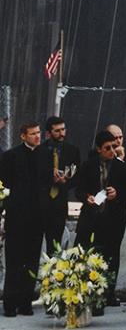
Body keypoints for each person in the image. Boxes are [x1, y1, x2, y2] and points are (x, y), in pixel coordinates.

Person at [75, 130, 126, 311]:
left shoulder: (123, 167)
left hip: (114, 218)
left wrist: (117, 195)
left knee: (112, 255)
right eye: (108, 148)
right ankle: (89, 292)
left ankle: (109, 292)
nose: (112, 151)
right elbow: (79, 189)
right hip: (92, 217)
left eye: (114, 147)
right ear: (99, 149)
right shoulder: (87, 166)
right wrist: (87, 197)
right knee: (89, 254)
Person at [0, 121, 43, 317]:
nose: (37, 136)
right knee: (14, 261)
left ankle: (26, 302)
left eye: (38, 133)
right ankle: (10, 303)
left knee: (32, 261)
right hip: (17, 217)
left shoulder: (46, 155)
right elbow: (5, 184)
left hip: (37, 218)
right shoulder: (10, 156)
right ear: (23, 136)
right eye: (33, 133)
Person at [39, 115, 81, 254]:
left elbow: (78, 176)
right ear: (48, 133)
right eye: (57, 131)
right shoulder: (39, 151)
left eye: (63, 129)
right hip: (41, 201)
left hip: (59, 202)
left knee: (56, 245)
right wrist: (49, 176)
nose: (61, 133)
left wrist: (66, 181)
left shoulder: (72, 150)